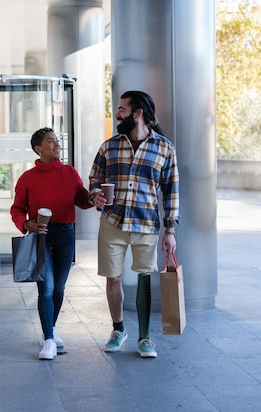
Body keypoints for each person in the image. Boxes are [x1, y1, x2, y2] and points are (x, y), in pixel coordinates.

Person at [89, 90, 180, 358]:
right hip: (112, 221)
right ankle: (118, 329)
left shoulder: (164, 148)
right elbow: (95, 177)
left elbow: (171, 191)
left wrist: (170, 230)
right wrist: (95, 193)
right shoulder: (109, 146)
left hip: (145, 224)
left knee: (143, 279)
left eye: (121, 109)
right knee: (113, 278)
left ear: (137, 113)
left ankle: (144, 338)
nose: (117, 114)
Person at [10, 127, 94, 360]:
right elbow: (16, 209)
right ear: (39, 149)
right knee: (45, 289)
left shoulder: (69, 172)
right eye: (50, 141)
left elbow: (81, 199)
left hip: (66, 234)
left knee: (59, 289)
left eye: (57, 140)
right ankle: (48, 339)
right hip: (41, 236)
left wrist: (94, 199)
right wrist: (26, 225)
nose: (57, 144)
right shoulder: (28, 178)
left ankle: (52, 328)